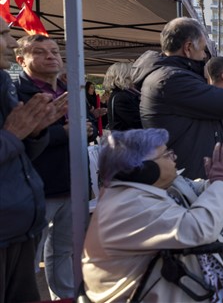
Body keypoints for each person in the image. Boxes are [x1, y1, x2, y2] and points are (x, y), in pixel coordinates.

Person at [82, 129, 223, 302]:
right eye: (166, 154)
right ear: (143, 168)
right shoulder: (125, 206)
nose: (174, 157)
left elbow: (192, 189)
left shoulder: (150, 187)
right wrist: (222, 183)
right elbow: (197, 229)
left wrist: (215, 182)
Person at [134, 17, 223, 179]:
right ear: (188, 47)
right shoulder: (171, 79)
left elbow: (217, 103)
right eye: (203, 50)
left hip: (192, 176)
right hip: (186, 180)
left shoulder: (175, 76)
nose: (204, 57)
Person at [14, 34, 92, 299]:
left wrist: (87, 126)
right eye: (40, 52)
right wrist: (65, 133)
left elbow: (84, 123)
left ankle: (65, 295)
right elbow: (17, 137)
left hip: (73, 183)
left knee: (65, 249)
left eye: (55, 51)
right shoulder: (17, 94)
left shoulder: (70, 89)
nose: (51, 56)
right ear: (21, 60)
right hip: (37, 187)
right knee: (27, 257)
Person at [0, 19, 66, 303]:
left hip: (22, 216)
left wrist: (35, 132)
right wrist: (17, 134)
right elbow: (12, 139)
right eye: (3, 34)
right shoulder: (19, 88)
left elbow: (20, 151)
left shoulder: (4, 83)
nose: (12, 40)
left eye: (55, 51)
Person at [103, 62, 142, 131]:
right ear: (124, 76)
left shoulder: (120, 94)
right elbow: (137, 123)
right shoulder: (121, 97)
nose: (135, 75)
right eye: (132, 72)